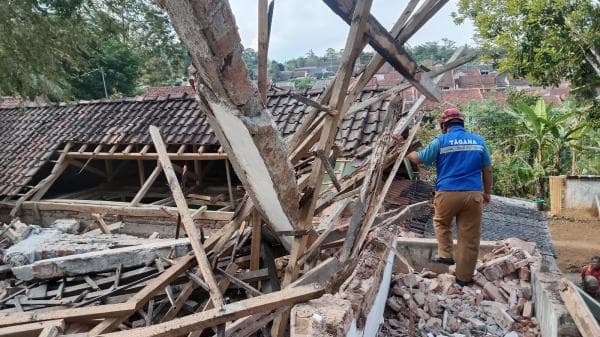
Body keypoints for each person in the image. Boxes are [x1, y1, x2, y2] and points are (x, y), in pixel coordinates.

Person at [407, 108, 493, 286]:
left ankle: (446, 254)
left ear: (444, 125)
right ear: (462, 123)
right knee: (469, 239)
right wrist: (487, 193)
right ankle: (463, 279)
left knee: (441, 222)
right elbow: (487, 169)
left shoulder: (441, 141)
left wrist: (406, 149)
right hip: (473, 195)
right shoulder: (479, 141)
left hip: (447, 193)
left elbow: (418, 159)